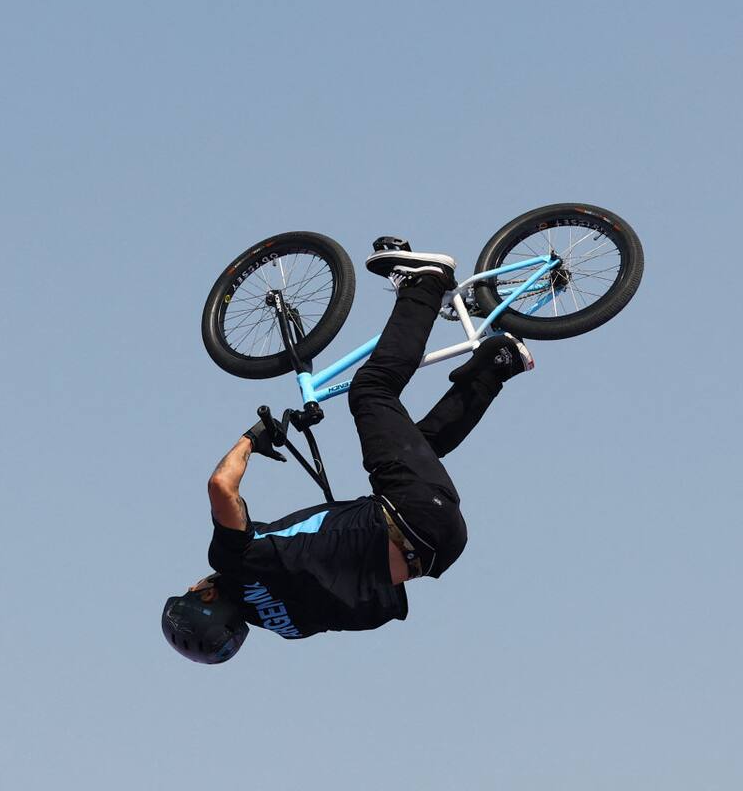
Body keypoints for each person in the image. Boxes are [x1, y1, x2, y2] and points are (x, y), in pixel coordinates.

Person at [162, 237, 535, 664]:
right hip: (409, 512)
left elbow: (377, 603)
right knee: (370, 391)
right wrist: (252, 439)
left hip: (441, 546)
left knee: (419, 448)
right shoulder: (236, 561)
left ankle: (498, 364)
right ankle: (425, 285)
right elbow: (221, 486)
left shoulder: (294, 628)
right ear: (206, 593)